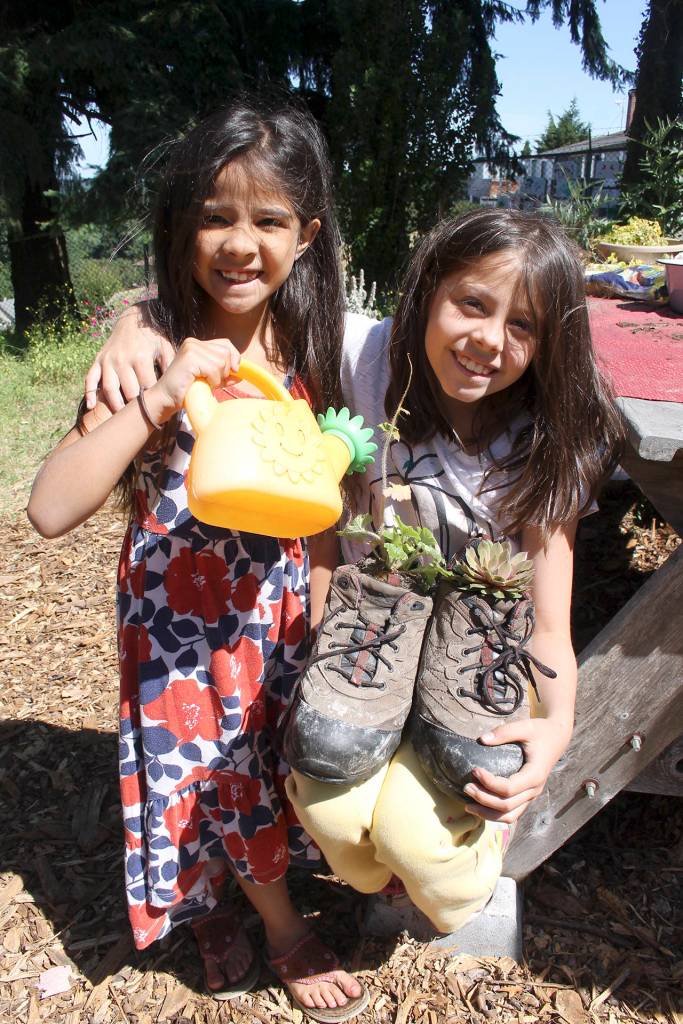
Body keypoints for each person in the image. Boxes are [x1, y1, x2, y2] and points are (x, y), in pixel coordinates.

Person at [86, 208, 622, 936]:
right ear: (428, 290)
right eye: (471, 303)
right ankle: (384, 864)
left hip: (472, 673)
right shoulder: (362, 358)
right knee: (337, 823)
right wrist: (139, 319)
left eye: (522, 326)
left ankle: (451, 877)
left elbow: (551, 624)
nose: (488, 341)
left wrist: (555, 728)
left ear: (550, 342)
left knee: (416, 844)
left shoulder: (546, 441)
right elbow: (245, 291)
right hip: (368, 655)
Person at [28, 98, 369, 1022]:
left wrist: (328, 609)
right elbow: (51, 509)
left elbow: (320, 503)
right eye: (215, 216)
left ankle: (211, 901)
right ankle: (279, 924)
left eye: (267, 219)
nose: (238, 242)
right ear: (181, 229)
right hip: (176, 631)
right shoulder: (147, 360)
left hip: (275, 620)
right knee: (202, 773)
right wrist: (157, 390)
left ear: (307, 232)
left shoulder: (309, 352)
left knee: (256, 771)